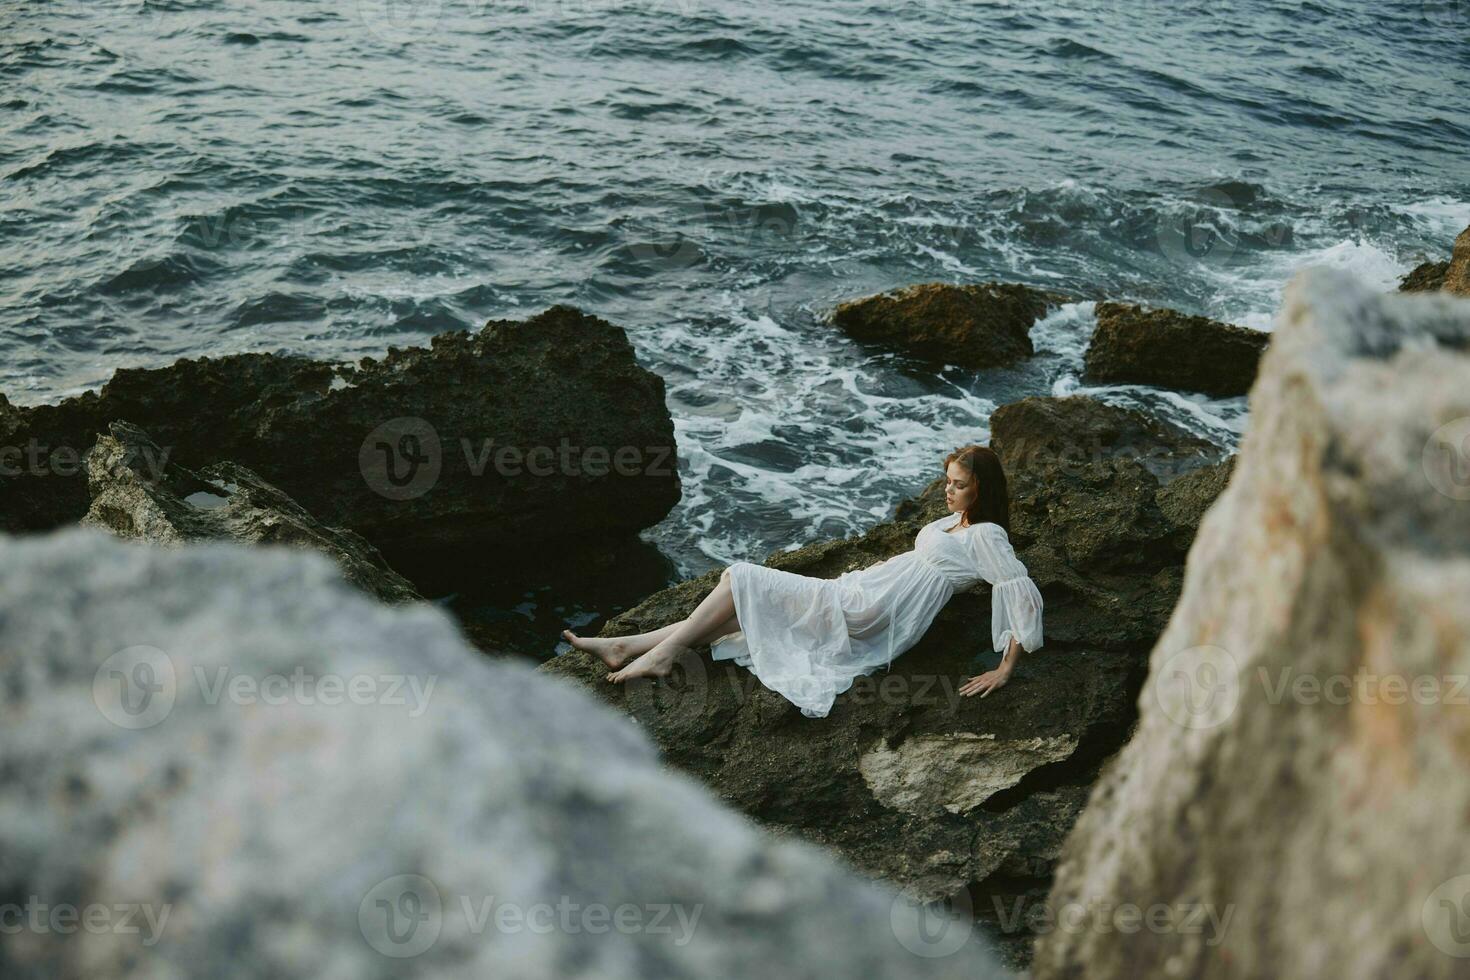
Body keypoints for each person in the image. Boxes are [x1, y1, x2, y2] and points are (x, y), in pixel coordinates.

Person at [561, 444, 1043, 719]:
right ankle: (628, 646)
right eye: (947, 480)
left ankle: (660, 655)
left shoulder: (986, 534)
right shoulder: (952, 524)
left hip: (875, 614)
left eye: (958, 483)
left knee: (741, 577)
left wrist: (1006, 668)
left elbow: (1018, 590)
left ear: (983, 488)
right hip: (864, 593)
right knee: (739, 610)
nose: (947, 489)